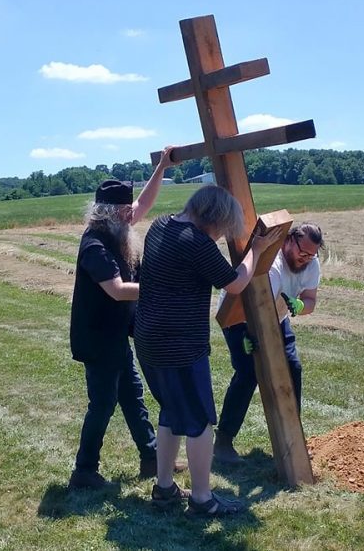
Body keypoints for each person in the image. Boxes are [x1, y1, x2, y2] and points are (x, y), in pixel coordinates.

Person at [134, 185, 283, 516]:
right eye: (221, 227)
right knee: (200, 422)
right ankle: (202, 499)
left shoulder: (160, 225)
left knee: (171, 413)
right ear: (213, 218)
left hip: (148, 339)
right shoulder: (196, 242)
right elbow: (234, 282)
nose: (220, 235)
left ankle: (164, 489)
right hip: (179, 345)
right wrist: (256, 249)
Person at [68, 147, 178, 489]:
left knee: (132, 395)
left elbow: (144, 203)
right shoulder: (95, 245)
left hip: (115, 335)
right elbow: (116, 290)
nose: (133, 215)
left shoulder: (116, 229)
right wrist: (160, 289)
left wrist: (161, 166)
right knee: (103, 403)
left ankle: (150, 458)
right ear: (110, 212)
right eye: (126, 210)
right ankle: (84, 471)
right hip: (97, 338)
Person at [214, 222, 324, 464]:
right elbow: (255, 308)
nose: (305, 258)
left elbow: (310, 300)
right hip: (240, 317)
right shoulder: (272, 267)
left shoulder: (311, 265)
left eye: (310, 254)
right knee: (248, 373)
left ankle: (293, 437)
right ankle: (223, 441)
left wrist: (300, 307)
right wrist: (245, 335)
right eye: (301, 252)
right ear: (288, 241)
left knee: (292, 368)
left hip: (277, 316)